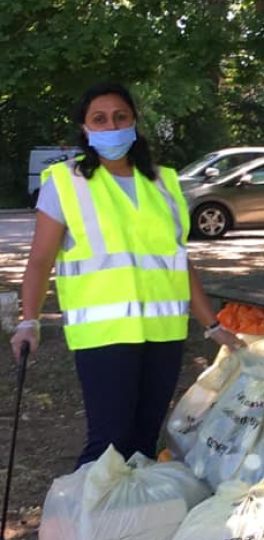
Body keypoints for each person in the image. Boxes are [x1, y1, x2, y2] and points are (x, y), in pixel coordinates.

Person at [8, 82, 244, 468]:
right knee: (109, 444)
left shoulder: (163, 183)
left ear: (134, 122)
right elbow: (39, 261)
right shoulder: (65, 183)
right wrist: (28, 320)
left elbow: (178, 261)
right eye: (99, 119)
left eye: (120, 117)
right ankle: (88, 522)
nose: (111, 126)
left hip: (163, 334)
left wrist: (212, 325)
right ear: (85, 129)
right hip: (105, 336)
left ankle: (133, 521)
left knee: (144, 441)